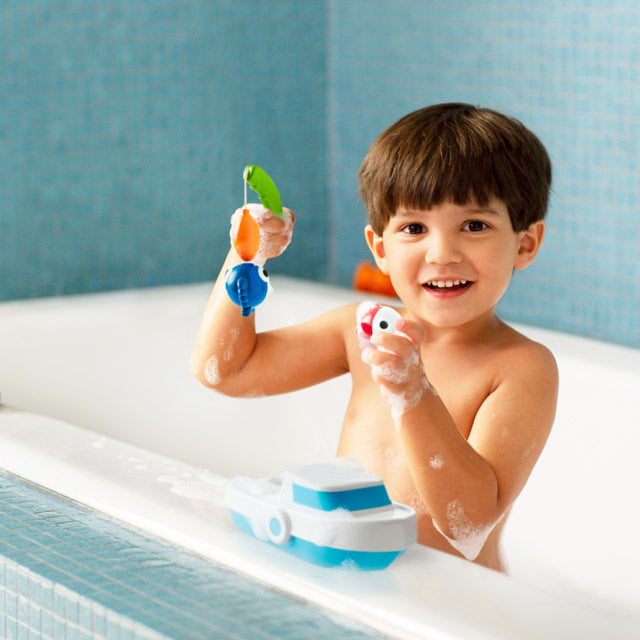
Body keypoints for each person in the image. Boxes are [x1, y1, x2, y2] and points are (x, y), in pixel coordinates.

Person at [191, 103, 558, 571]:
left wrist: (412, 392)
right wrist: (247, 257)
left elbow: (469, 523)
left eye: (475, 226)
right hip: (354, 585)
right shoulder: (360, 329)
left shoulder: (520, 367)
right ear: (380, 249)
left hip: (452, 608)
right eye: (414, 228)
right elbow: (224, 370)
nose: (442, 254)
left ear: (524, 244)